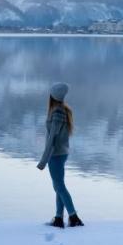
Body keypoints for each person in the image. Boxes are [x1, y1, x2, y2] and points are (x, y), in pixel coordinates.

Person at [37, 82, 83, 228]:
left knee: (59, 186)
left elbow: (52, 138)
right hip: (61, 153)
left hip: (55, 154)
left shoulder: (57, 112)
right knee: (58, 186)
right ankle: (58, 218)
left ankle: (73, 217)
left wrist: (43, 160)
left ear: (53, 96)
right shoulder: (63, 110)